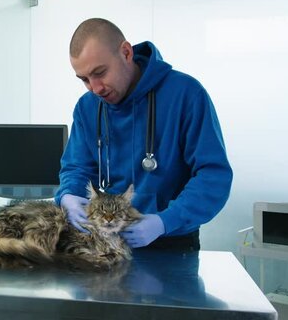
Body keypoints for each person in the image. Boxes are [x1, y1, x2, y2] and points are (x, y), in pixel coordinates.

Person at [55, 18, 232, 251]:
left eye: (100, 72)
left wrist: (164, 221)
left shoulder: (186, 94)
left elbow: (213, 175)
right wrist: (68, 195)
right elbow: (77, 168)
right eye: (85, 79)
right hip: (106, 241)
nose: (95, 88)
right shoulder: (87, 107)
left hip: (171, 241)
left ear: (126, 53)